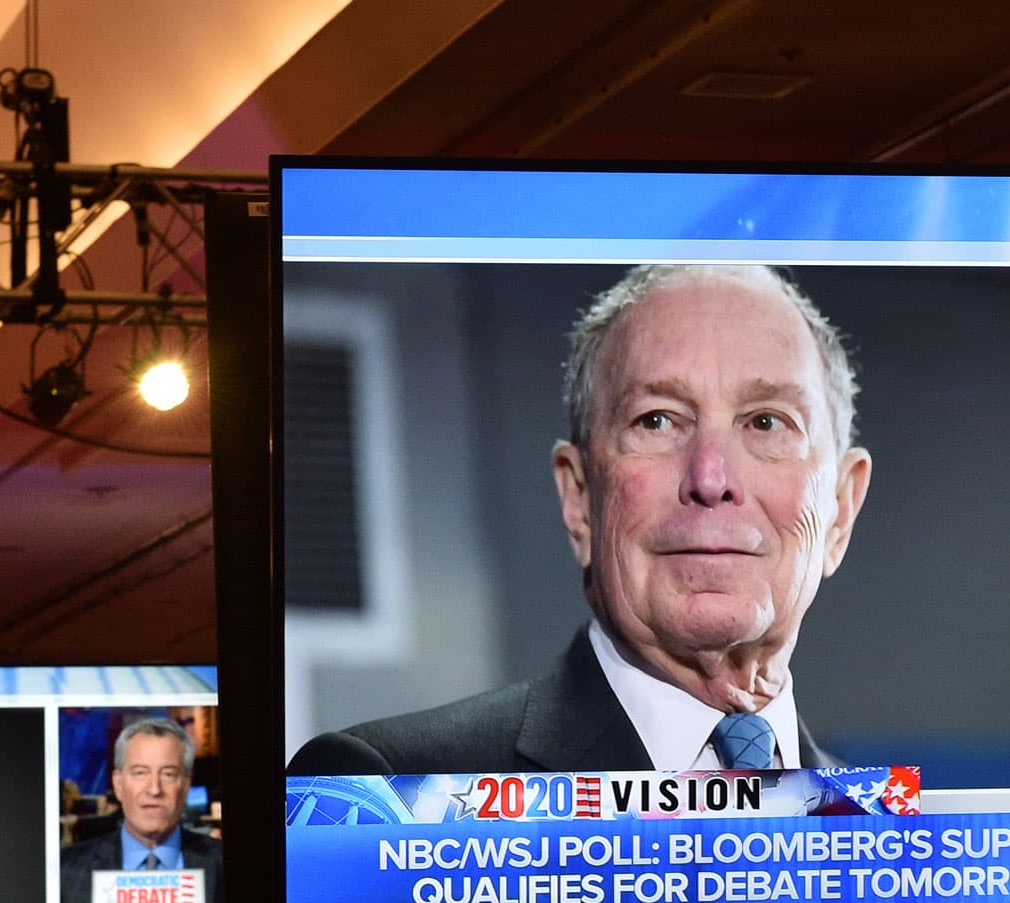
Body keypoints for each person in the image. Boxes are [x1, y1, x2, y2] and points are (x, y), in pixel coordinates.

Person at [289, 262, 869, 776]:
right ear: (579, 496)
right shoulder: (383, 794)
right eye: (657, 420)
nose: (711, 478)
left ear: (840, 510)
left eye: (766, 423)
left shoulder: (903, 852)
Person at [59, 716, 222, 903]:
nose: (154, 789)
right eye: (140, 773)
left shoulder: (224, 864)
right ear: (118, 785)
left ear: (186, 785)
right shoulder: (65, 872)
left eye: (168, 774)